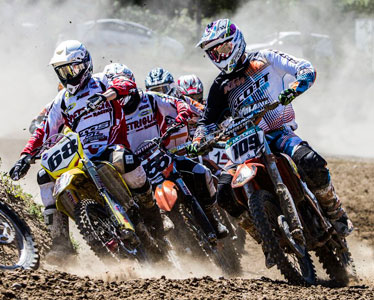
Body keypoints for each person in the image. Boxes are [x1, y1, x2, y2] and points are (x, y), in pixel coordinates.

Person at [187, 19, 353, 244]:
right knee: (224, 192)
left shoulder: (265, 58)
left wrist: (296, 86)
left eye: (223, 48)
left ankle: (334, 211)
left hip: (279, 133)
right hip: (244, 144)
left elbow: (305, 68)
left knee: (311, 161)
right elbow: (206, 122)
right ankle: (262, 237)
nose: (219, 56)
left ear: (235, 42)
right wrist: (199, 139)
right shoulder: (219, 86)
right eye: (213, 53)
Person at [9, 40, 167, 259]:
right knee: (44, 176)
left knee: (126, 160)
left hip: (109, 147)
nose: (68, 75)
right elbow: (44, 130)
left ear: (85, 64)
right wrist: (25, 156)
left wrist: (107, 95)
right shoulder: (62, 100)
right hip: (79, 156)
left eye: (72, 68)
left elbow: (127, 84)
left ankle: (153, 215)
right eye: (62, 71)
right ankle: (61, 244)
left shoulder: (102, 81)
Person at [107, 65, 228, 239]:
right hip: (137, 166)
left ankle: (211, 216)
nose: (120, 93)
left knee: (202, 172)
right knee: (136, 201)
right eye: (115, 89)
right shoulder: (111, 113)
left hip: (161, 154)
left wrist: (183, 112)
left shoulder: (149, 99)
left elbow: (177, 102)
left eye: (122, 87)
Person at [145, 68, 204, 139]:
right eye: (154, 91)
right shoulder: (146, 107)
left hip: (186, 143)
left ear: (172, 87)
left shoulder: (182, 99)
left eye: (163, 89)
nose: (159, 95)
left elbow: (204, 111)